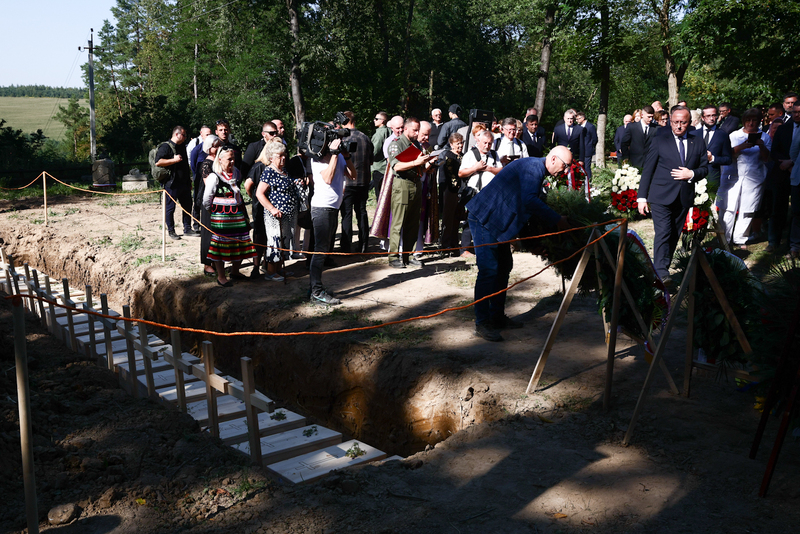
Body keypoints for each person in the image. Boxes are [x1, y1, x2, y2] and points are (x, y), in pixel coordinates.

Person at [466, 147, 572, 342]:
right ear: (554, 159)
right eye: (565, 166)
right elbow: (529, 201)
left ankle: (497, 317)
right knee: (489, 269)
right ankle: (482, 323)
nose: (564, 171)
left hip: (499, 221)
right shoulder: (534, 168)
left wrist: (529, 243)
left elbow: (523, 210)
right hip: (484, 218)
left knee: (504, 266)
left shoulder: (537, 170)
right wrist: (557, 220)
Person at [637, 106, 709, 284]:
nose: (678, 126)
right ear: (670, 122)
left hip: (683, 196)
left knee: (674, 234)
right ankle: (661, 272)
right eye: (675, 122)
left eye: (683, 122)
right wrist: (641, 197)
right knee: (663, 231)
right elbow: (648, 169)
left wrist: (691, 174)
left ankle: (662, 269)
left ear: (689, 122)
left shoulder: (697, 142)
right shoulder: (660, 140)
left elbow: (704, 168)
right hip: (660, 195)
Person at [309, 137, 356, 304]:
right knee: (320, 250)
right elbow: (327, 179)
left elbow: (353, 175)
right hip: (321, 207)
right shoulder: (317, 157)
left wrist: (346, 156)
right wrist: (335, 155)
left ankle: (315, 287)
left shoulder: (340, 156)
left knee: (324, 249)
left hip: (333, 208)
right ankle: (316, 292)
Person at [717, 108, 771, 249]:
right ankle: (725, 238)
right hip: (732, 175)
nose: (751, 123)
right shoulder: (734, 135)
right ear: (743, 121)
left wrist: (762, 147)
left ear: (759, 121)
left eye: (754, 120)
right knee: (728, 207)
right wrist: (739, 147)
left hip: (754, 177)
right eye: (748, 120)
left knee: (748, 208)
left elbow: (767, 158)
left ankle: (740, 238)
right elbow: (726, 155)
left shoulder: (765, 137)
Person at [202, 147, 256, 287]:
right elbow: (207, 200)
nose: (232, 162)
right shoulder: (214, 177)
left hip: (237, 216)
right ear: (220, 160)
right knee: (220, 245)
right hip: (221, 218)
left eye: (233, 159)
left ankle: (235, 271)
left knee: (240, 241)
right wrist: (214, 213)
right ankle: (221, 276)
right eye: (229, 159)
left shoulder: (236, 173)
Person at [387, 117, 436, 268]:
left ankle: (409, 255)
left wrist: (428, 165)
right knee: (398, 222)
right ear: (406, 129)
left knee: (413, 223)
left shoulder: (415, 145)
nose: (417, 133)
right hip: (402, 186)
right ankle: (394, 256)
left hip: (416, 185)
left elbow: (418, 168)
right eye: (415, 130)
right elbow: (396, 166)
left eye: (418, 130)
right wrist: (416, 163)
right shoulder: (396, 144)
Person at [255, 141, 308, 281]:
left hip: (288, 214)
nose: (283, 158)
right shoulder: (269, 171)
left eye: (284, 155)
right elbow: (259, 193)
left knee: (283, 242)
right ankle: (271, 272)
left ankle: (279, 270)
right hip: (274, 216)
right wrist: (272, 209)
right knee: (275, 242)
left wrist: (297, 182)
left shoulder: (285, 171)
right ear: (271, 157)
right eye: (279, 156)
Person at [338, 111, 374, 253]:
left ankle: (346, 247)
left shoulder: (342, 138)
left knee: (346, 215)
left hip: (347, 182)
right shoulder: (365, 138)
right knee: (362, 212)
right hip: (363, 181)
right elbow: (371, 160)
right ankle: (364, 244)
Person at [769, 102, 800, 253]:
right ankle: (773, 241)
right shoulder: (783, 129)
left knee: (796, 210)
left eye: (799, 112)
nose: (796, 115)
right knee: (777, 208)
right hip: (781, 172)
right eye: (794, 112)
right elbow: (774, 151)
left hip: (798, 172)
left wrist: (793, 163)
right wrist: (786, 164)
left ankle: (793, 245)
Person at [155, 126, 195, 240]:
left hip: (184, 183)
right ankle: (171, 231)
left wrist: (189, 181)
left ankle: (187, 228)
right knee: (170, 208)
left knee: (187, 206)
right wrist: (174, 160)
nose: (185, 137)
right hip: (171, 184)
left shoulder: (182, 146)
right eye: (184, 135)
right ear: (177, 134)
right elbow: (158, 162)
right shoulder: (165, 146)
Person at [198, 135, 222, 277]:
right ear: (209, 148)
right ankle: (207, 264)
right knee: (208, 231)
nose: (218, 148)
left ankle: (215, 261)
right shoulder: (206, 164)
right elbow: (209, 186)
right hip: (209, 201)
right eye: (215, 146)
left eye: (218, 145)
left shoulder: (218, 161)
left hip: (219, 201)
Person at [690, 105, 732, 186]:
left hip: (712, 177)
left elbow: (728, 159)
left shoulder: (723, 135)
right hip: (694, 175)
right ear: (702, 117)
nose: (711, 118)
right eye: (708, 116)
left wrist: (712, 158)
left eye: (713, 115)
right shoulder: (693, 134)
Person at [438, 132, 464, 255]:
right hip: (449, 190)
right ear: (451, 144)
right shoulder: (448, 156)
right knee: (448, 218)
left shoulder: (463, 156)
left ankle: (454, 244)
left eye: (462, 143)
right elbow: (450, 175)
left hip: (461, 190)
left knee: (457, 218)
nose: (460, 145)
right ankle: (445, 245)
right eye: (458, 143)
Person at [188, 125, 211, 232]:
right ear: (201, 135)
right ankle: (196, 223)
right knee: (197, 200)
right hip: (199, 179)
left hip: (210, 179)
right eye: (207, 135)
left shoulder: (214, 149)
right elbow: (192, 165)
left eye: (210, 134)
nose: (209, 137)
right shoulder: (196, 149)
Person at [370, 111, 390, 200]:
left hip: (379, 168)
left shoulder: (379, 134)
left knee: (380, 197)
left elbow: (374, 152)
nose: (374, 120)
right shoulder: (390, 131)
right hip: (388, 167)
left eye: (376, 119)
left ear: (382, 121)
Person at [575, 111, 597, 180]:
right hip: (579, 151)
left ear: (583, 118)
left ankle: (588, 182)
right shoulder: (577, 127)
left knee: (587, 168)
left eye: (578, 119)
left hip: (587, 151)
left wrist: (590, 146)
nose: (576, 120)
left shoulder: (590, 127)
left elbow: (595, 139)